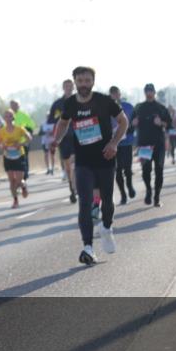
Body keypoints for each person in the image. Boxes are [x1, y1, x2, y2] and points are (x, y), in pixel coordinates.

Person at [53, 66, 128, 266]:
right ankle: (88, 247)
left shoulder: (104, 101)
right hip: (83, 161)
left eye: (87, 81)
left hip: (105, 158)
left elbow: (123, 122)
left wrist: (114, 143)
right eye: (80, 81)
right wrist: (57, 139)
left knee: (107, 201)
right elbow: (63, 123)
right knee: (85, 203)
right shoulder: (70, 103)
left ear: (93, 81)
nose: (84, 85)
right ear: (75, 82)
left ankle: (106, 227)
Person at [132, 83, 171, 207]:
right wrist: (133, 123)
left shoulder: (161, 108)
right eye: (147, 91)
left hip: (158, 144)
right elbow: (130, 123)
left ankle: (157, 197)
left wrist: (161, 123)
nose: (149, 93)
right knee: (145, 171)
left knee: (159, 170)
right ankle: (148, 190)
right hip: (144, 144)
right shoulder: (138, 108)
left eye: (151, 91)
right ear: (145, 93)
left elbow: (169, 125)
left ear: (154, 92)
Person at [48, 79, 78, 203]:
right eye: (66, 86)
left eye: (70, 86)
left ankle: (75, 187)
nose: (68, 88)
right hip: (63, 138)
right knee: (68, 167)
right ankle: (72, 187)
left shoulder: (79, 100)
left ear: (73, 87)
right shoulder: (57, 104)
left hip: (77, 136)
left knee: (74, 162)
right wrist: (53, 138)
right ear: (63, 88)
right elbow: (51, 121)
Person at [0, 109, 33, 208]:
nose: (8, 118)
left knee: (18, 180)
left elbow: (29, 138)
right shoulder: (1, 131)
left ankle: (23, 186)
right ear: (4, 118)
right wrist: (2, 146)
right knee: (11, 181)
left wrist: (20, 144)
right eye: (6, 116)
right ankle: (15, 200)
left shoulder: (19, 129)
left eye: (10, 116)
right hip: (7, 156)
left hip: (19, 156)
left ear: (13, 117)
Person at [108, 86, 136, 205]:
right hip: (114, 144)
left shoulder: (128, 107)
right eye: (113, 94)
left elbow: (135, 121)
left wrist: (132, 126)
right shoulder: (106, 108)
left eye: (117, 93)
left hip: (127, 142)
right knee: (118, 170)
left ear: (120, 94)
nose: (115, 96)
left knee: (128, 169)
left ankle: (129, 186)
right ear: (110, 95)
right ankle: (123, 195)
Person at [10, 100, 37, 180]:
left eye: (15, 105)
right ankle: (17, 175)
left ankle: (25, 173)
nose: (13, 106)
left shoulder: (23, 114)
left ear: (18, 106)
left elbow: (32, 126)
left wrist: (26, 132)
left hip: (23, 141)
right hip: (13, 143)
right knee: (14, 158)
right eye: (12, 105)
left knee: (24, 157)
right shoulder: (9, 115)